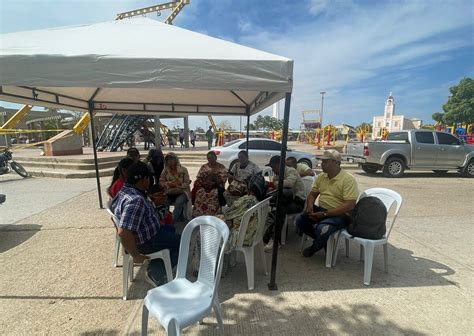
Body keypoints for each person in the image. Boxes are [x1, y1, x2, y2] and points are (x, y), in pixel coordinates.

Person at [111, 161, 181, 286]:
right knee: (184, 243)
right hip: (147, 241)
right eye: (149, 178)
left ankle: (158, 262)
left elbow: (116, 218)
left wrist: (151, 203)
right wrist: (136, 255)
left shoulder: (124, 191)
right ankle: (156, 272)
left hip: (148, 232)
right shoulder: (135, 201)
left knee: (171, 229)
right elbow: (123, 232)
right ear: (143, 180)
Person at [296, 150, 359, 258]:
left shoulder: (348, 179)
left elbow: (350, 205)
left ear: (336, 163)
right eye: (322, 161)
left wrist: (326, 214)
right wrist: (310, 206)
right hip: (322, 210)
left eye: (326, 162)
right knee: (300, 220)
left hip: (341, 214)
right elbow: (312, 194)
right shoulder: (322, 177)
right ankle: (323, 241)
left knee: (323, 228)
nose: (322, 164)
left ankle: (314, 247)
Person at [263, 155, 306, 251]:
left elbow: (289, 183)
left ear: (279, 165)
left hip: (298, 202)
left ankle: (274, 241)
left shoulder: (291, 171)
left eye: (273, 167)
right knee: (274, 208)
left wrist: (273, 184)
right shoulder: (277, 175)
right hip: (286, 200)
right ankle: (270, 235)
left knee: (279, 211)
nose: (273, 170)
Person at [192, 151, 228, 216]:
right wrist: (205, 182)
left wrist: (215, 178)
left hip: (216, 187)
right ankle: (199, 213)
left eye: (212, 158)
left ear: (216, 158)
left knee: (214, 194)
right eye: (208, 158)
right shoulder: (204, 166)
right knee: (200, 193)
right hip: (204, 186)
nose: (210, 159)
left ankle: (213, 213)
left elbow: (223, 179)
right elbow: (199, 178)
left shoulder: (221, 166)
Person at [160, 152, 191, 223]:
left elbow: (187, 182)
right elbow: (161, 182)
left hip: (182, 191)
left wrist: (178, 185)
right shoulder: (165, 171)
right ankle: (165, 218)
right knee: (165, 203)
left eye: (172, 159)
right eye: (168, 159)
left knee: (178, 202)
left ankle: (172, 221)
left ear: (176, 159)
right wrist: (169, 184)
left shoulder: (183, 169)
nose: (170, 161)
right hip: (169, 192)